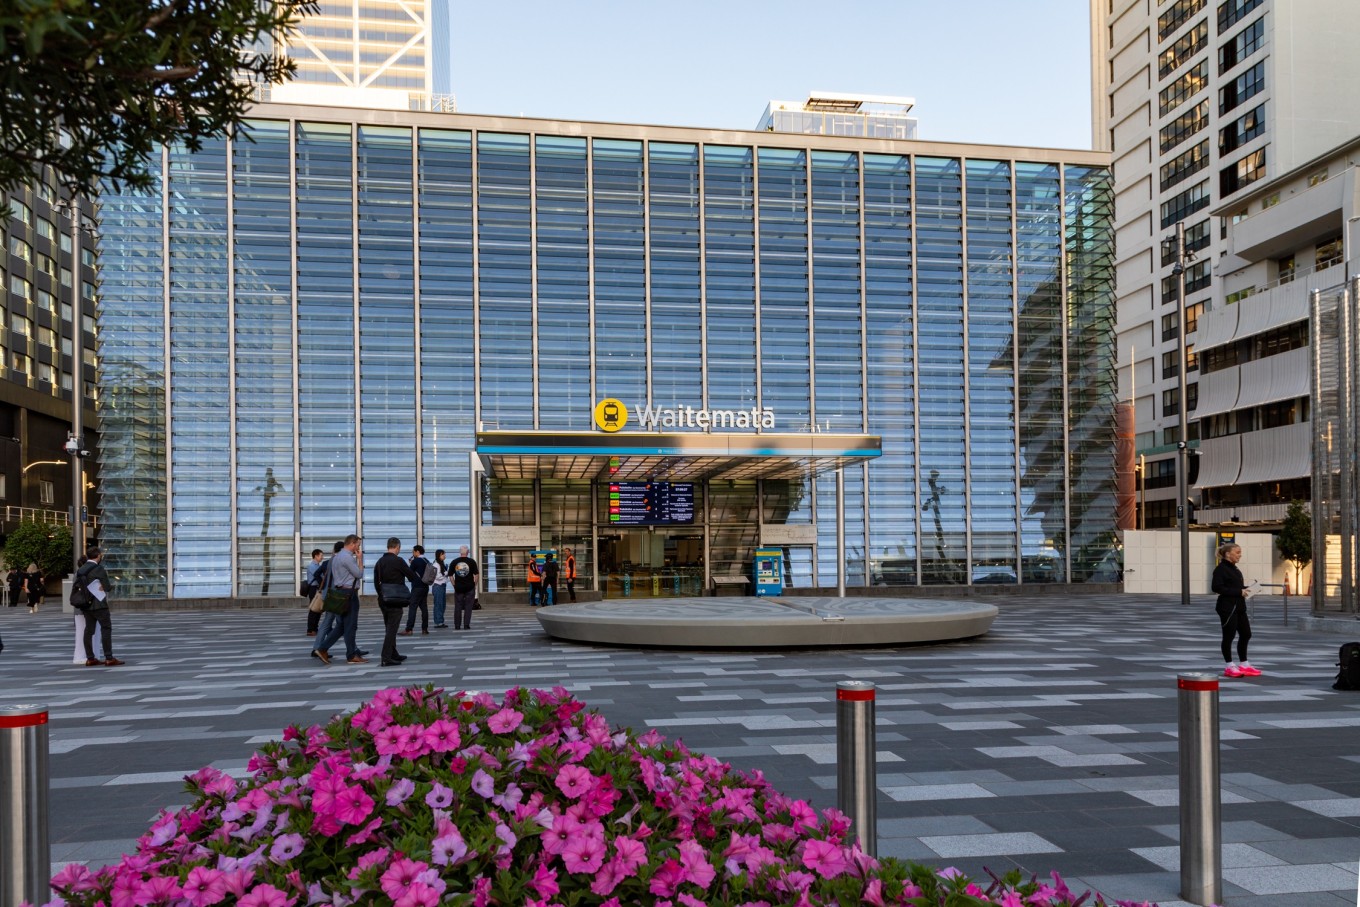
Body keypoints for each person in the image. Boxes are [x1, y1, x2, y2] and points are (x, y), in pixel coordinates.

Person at [314, 535, 365, 665]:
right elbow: (359, 574)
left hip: (339, 592)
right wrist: (360, 560)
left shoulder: (336, 557)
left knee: (342, 625)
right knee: (350, 625)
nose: (358, 547)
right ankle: (351, 655)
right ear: (352, 544)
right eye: (358, 545)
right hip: (349, 594)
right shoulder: (348, 558)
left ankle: (322, 648)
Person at [1211, 542, 1260, 678]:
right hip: (1227, 607)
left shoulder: (1235, 569)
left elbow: (1234, 586)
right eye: (1237, 552)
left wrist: (1248, 588)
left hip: (1239, 606)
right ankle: (1229, 665)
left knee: (1246, 634)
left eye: (1240, 552)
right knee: (1229, 636)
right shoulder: (1220, 569)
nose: (1240, 555)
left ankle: (1244, 664)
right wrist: (1239, 591)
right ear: (1228, 554)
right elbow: (1216, 587)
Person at [374, 538, 421, 666]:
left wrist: (382, 595)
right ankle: (386, 657)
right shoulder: (399, 561)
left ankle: (393, 653)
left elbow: (376, 582)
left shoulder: (380, 561)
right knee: (392, 629)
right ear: (397, 547)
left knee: (389, 627)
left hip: (383, 599)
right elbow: (412, 577)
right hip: (396, 599)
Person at [79, 546, 124, 667]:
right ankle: (108, 657)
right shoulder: (98, 569)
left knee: (88, 630)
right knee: (106, 629)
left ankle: (90, 658)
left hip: (85, 604)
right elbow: (107, 586)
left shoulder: (81, 569)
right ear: (98, 556)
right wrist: (105, 586)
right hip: (99, 604)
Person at [402, 545, 432, 636]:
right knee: (424, 608)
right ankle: (424, 629)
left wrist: (411, 563)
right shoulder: (426, 560)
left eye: (413, 552)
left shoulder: (416, 561)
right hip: (425, 586)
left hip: (417, 587)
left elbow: (410, 573)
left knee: (412, 607)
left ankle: (409, 629)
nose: (413, 553)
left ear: (417, 552)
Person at [449, 545, 479, 630]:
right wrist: (474, 585)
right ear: (468, 552)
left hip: (458, 588)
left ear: (460, 552)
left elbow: (450, 576)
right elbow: (476, 575)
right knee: (468, 607)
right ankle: (466, 625)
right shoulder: (472, 562)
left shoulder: (454, 562)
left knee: (458, 607)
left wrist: (454, 585)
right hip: (470, 587)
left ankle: (457, 625)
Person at [304, 548, 325, 637]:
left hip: (318, 589)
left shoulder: (317, 566)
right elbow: (319, 576)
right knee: (313, 609)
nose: (322, 557)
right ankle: (310, 629)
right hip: (313, 589)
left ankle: (315, 628)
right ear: (316, 556)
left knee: (318, 609)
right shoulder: (312, 566)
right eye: (321, 555)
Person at [430, 549, 449, 628]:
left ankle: (440, 621)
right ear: (439, 555)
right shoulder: (436, 564)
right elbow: (437, 576)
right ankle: (439, 622)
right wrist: (446, 573)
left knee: (442, 604)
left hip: (442, 586)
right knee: (439, 604)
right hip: (438, 586)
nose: (444, 556)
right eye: (443, 554)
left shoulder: (441, 564)